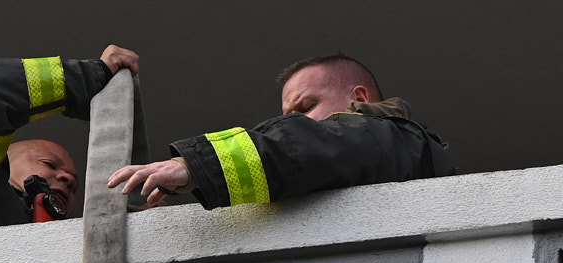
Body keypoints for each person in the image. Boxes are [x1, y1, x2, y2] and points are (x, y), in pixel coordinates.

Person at [108, 53, 455, 209]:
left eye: (305, 108)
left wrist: (196, 166)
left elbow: (303, 146)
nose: (299, 123)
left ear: (358, 97)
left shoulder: (393, 136)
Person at [0, 45, 140, 235]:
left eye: (76, 187)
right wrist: (89, 77)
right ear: (2, 162)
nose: (68, 179)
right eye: (49, 164)